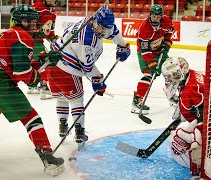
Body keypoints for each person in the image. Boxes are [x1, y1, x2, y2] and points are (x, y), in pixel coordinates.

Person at [0, 5, 64, 176]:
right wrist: (36, 79)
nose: (36, 25)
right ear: (23, 21)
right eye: (33, 22)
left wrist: (45, 60)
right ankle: (47, 157)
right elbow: (22, 72)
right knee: (32, 118)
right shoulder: (22, 36)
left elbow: (15, 63)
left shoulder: (10, 34)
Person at [47, 8, 130, 149]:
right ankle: (79, 132)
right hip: (66, 70)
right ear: (96, 21)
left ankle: (62, 127)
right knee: (76, 100)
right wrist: (98, 81)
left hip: (51, 63)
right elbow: (87, 68)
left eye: (105, 28)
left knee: (61, 97)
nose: (102, 31)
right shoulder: (87, 40)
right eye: (101, 27)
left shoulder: (92, 20)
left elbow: (113, 31)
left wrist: (122, 45)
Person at [131, 4, 174, 115]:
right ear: (150, 15)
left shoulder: (167, 21)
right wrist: (152, 64)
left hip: (159, 49)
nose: (155, 18)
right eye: (153, 16)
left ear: (161, 16)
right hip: (145, 52)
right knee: (149, 75)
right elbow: (145, 52)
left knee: (170, 70)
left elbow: (169, 33)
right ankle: (137, 100)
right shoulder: (144, 28)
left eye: (158, 16)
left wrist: (167, 43)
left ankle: (172, 95)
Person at [31, 0, 57, 100]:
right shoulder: (38, 6)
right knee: (44, 60)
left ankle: (32, 86)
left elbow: (49, 32)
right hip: (31, 38)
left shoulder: (52, 13)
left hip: (37, 40)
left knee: (38, 61)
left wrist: (54, 39)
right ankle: (44, 87)